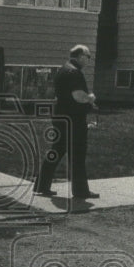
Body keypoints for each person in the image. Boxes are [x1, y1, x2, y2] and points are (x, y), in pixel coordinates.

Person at [34, 44, 99, 200]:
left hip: (60, 117)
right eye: (88, 56)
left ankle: (41, 186)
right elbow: (78, 96)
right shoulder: (75, 73)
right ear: (80, 56)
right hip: (74, 120)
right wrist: (91, 98)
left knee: (56, 151)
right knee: (77, 155)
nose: (89, 60)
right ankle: (81, 191)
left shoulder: (63, 70)